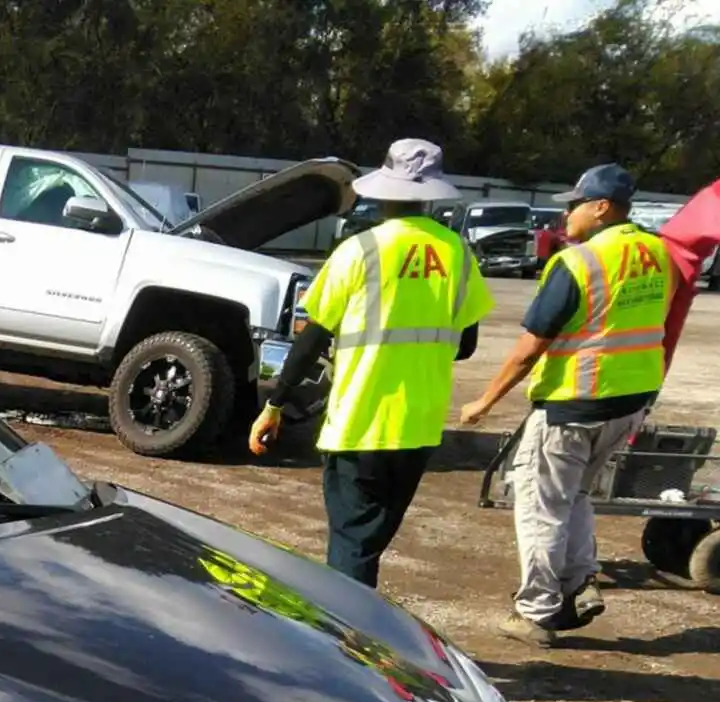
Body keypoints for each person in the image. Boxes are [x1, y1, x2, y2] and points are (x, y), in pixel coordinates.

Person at [252, 139, 492, 589]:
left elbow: (311, 340)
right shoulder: (459, 254)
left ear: (383, 191)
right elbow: (466, 345)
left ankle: (347, 641)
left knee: (351, 547)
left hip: (361, 422)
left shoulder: (358, 251)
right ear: (429, 194)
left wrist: (275, 404)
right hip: (418, 426)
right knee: (369, 542)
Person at [460, 164, 676, 646]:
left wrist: (484, 400)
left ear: (601, 208)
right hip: (630, 400)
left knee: (540, 504)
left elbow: (530, 347)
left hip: (574, 404)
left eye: (574, 205)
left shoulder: (578, 262)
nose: (567, 214)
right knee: (575, 494)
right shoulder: (659, 254)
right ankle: (579, 582)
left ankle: (535, 610)